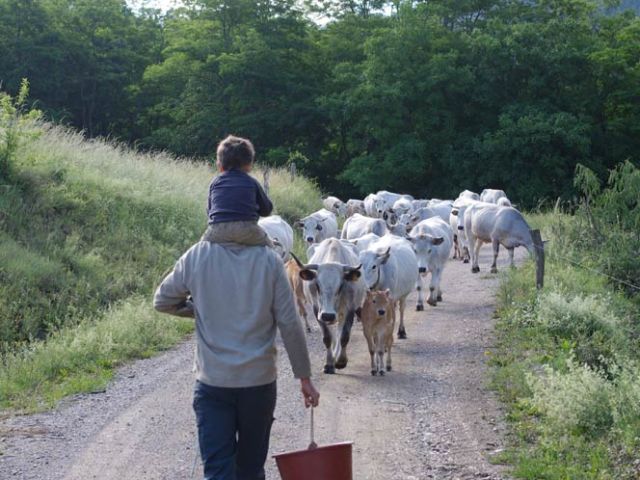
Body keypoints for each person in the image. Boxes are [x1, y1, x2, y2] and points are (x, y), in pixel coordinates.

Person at [153, 231, 320, 479]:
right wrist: (304, 378)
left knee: (218, 470)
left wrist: (201, 310)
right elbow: (290, 323)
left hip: (213, 382)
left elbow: (163, 300)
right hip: (258, 383)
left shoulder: (197, 255)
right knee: (251, 469)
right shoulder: (270, 260)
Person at [202, 135, 273, 246]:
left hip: (219, 229)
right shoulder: (252, 182)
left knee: (200, 250)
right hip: (248, 229)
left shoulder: (215, 182)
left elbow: (210, 211)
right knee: (272, 252)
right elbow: (266, 210)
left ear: (220, 165)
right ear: (249, 165)